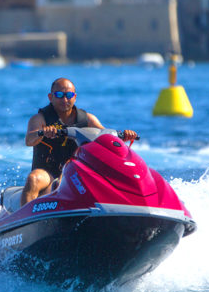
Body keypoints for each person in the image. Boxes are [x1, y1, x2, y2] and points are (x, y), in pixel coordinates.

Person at [20, 78, 137, 206]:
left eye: (69, 95)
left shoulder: (87, 119)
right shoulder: (39, 119)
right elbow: (29, 140)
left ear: (75, 97)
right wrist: (42, 133)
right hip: (48, 173)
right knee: (33, 179)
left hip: (78, 172)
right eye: (59, 95)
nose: (65, 99)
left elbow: (106, 137)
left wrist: (123, 136)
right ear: (50, 97)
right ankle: (24, 219)